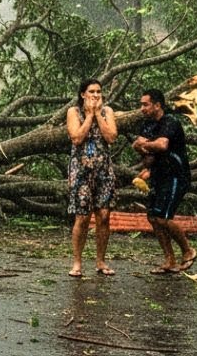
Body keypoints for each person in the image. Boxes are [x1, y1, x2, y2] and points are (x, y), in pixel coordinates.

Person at [132, 88, 196, 274]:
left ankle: (188, 250)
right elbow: (144, 152)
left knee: (163, 217)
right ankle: (170, 260)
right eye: (141, 104)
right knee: (153, 217)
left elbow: (162, 145)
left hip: (176, 176)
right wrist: (143, 150)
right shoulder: (147, 125)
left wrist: (143, 145)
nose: (142, 108)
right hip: (158, 175)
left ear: (157, 105)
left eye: (145, 104)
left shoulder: (170, 122)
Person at [66, 78, 118, 278]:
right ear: (83, 94)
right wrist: (89, 116)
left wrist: (97, 114)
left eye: (99, 91)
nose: (96, 95)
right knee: (82, 216)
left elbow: (111, 136)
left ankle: (100, 261)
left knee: (104, 215)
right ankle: (77, 262)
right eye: (91, 91)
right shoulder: (74, 112)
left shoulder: (108, 112)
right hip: (81, 170)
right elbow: (77, 137)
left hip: (103, 170)